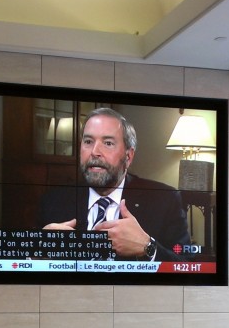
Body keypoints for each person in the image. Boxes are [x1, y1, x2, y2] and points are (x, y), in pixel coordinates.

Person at [37, 107, 191, 261]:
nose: (95, 151)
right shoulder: (53, 201)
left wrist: (147, 247)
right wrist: (39, 249)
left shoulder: (164, 200)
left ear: (128, 157)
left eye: (108, 143)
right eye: (88, 141)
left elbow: (187, 267)